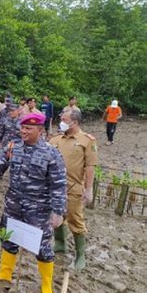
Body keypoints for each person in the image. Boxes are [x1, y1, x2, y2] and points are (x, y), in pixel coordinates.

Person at [0, 113, 66, 293]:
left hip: (39, 210)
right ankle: (5, 273)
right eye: (23, 128)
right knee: (8, 239)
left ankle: (46, 283)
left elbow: (58, 185)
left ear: (40, 130)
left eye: (29, 129)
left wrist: (58, 212)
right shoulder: (13, 146)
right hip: (13, 205)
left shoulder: (51, 153)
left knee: (42, 247)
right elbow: (0, 164)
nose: (24, 131)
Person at [49, 110, 98, 270]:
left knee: (75, 220)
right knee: (57, 216)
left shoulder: (87, 140)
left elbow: (90, 166)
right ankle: (60, 244)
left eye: (64, 119)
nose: (60, 122)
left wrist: (89, 189)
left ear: (74, 122)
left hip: (73, 188)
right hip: (55, 188)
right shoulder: (56, 139)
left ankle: (80, 255)